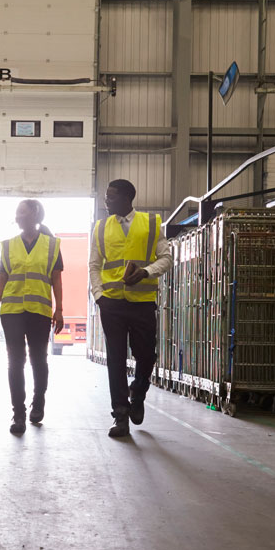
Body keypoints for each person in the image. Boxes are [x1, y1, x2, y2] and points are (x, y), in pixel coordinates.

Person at [90, 179, 172, 438]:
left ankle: (138, 393)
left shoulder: (150, 224)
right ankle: (120, 415)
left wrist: (146, 272)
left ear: (127, 198)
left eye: (111, 197)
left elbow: (167, 257)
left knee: (146, 355)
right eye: (106, 197)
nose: (106, 202)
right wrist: (99, 295)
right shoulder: (101, 227)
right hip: (111, 303)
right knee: (115, 358)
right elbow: (94, 264)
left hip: (142, 303)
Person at [0, 199, 64, 435]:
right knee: (15, 361)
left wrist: (59, 309)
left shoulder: (52, 245)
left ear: (34, 214)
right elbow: (2, 278)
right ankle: (18, 413)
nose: (17, 216)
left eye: (21, 212)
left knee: (38, 359)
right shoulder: (9, 246)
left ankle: (38, 400)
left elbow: (56, 279)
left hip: (39, 311)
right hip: (11, 311)